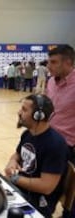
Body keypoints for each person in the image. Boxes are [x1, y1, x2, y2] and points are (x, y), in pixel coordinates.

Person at [5, 94, 68, 217]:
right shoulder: (28, 134)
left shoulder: (55, 145)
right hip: (21, 190)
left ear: (38, 116)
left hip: (39, 202)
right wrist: (12, 161)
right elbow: (17, 154)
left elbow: (46, 187)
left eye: (24, 110)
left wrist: (14, 179)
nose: (19, 112)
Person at [46, 45, 75, 217]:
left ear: (68, 63)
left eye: (54, 62)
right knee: (50, 193)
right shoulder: (50, 81)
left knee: (71, 202)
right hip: (52, 145)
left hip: (71, 149)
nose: (49, 66)